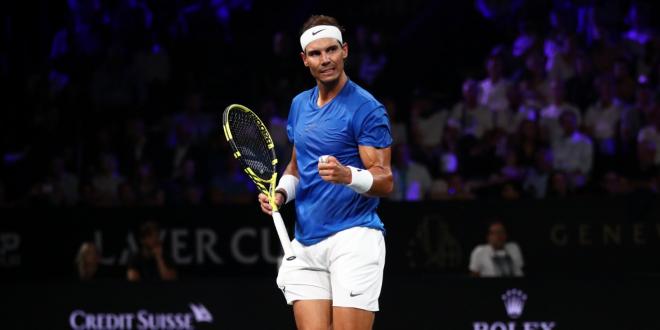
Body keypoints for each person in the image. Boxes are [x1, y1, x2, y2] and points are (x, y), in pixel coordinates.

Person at [257, 15, 393, 330]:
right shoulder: (299, 106)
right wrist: (281, 193)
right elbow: (296, 166)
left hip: (353, 238)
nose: (326, 59)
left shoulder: (367, 109)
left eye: (331, 50)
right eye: (316, 53)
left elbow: (386, 181)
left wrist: (349, 176)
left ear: (344, 50)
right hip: (305, 244)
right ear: (305, 60)